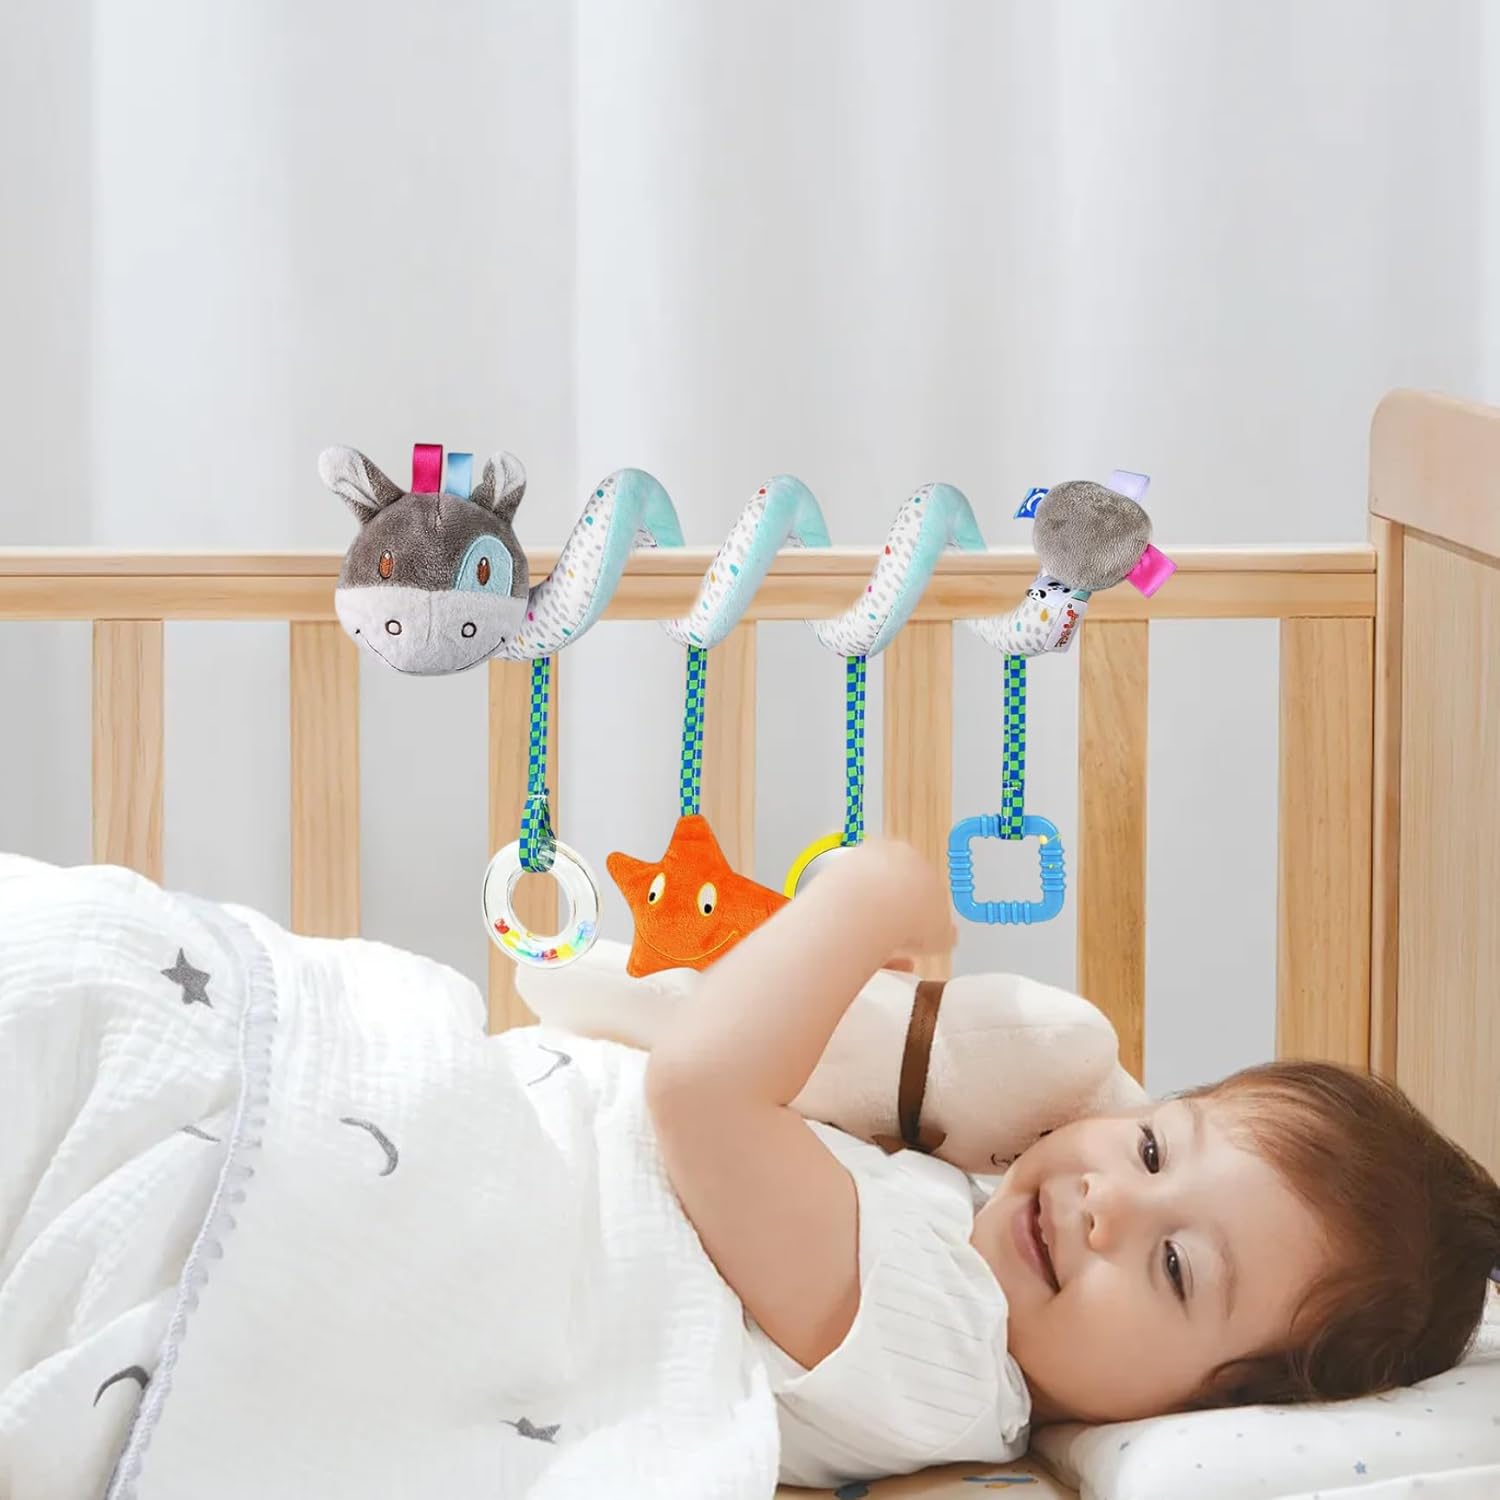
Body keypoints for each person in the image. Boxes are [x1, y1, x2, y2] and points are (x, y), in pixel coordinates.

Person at [645, 839, 1500, 1488]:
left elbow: (702, 1093)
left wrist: (867, 899)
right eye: (1152, 1149)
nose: (1107, 1203)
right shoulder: (967, 1226)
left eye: (1176, 1266)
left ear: (1204, 1406)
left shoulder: (943, 1348)